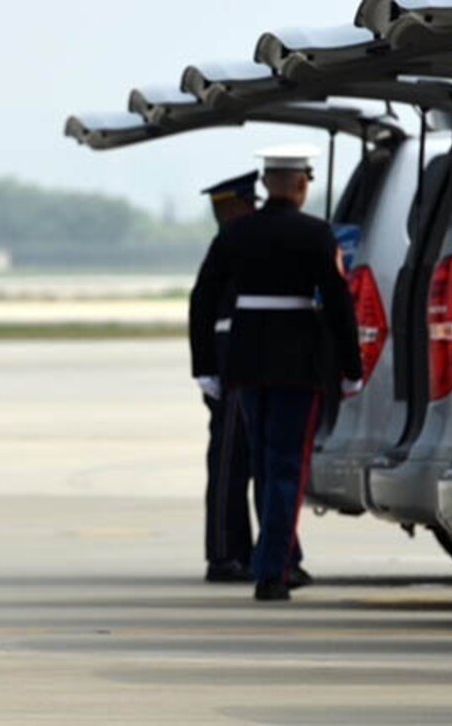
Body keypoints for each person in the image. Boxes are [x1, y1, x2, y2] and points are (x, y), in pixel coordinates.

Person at [189, 145, 362, 602]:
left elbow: (202, 299)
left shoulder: (235, 234)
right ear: (303, 184)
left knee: (265, 460)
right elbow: (340, 305)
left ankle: (272, 561)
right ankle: (274, 570)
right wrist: (350, 368)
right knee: (285, 468)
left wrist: (204, 366)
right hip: (298, 365)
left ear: (266, 184)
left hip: (245, 362)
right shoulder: (316, 234)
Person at [193, 172, 257, 584]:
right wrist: (205, 369)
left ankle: (239, 549)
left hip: (234, 358)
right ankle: (223, 553)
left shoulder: (240, 240)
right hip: (233, 359)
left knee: (238, 461)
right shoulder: (234, 242)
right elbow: (202, 305)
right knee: (230, 461)